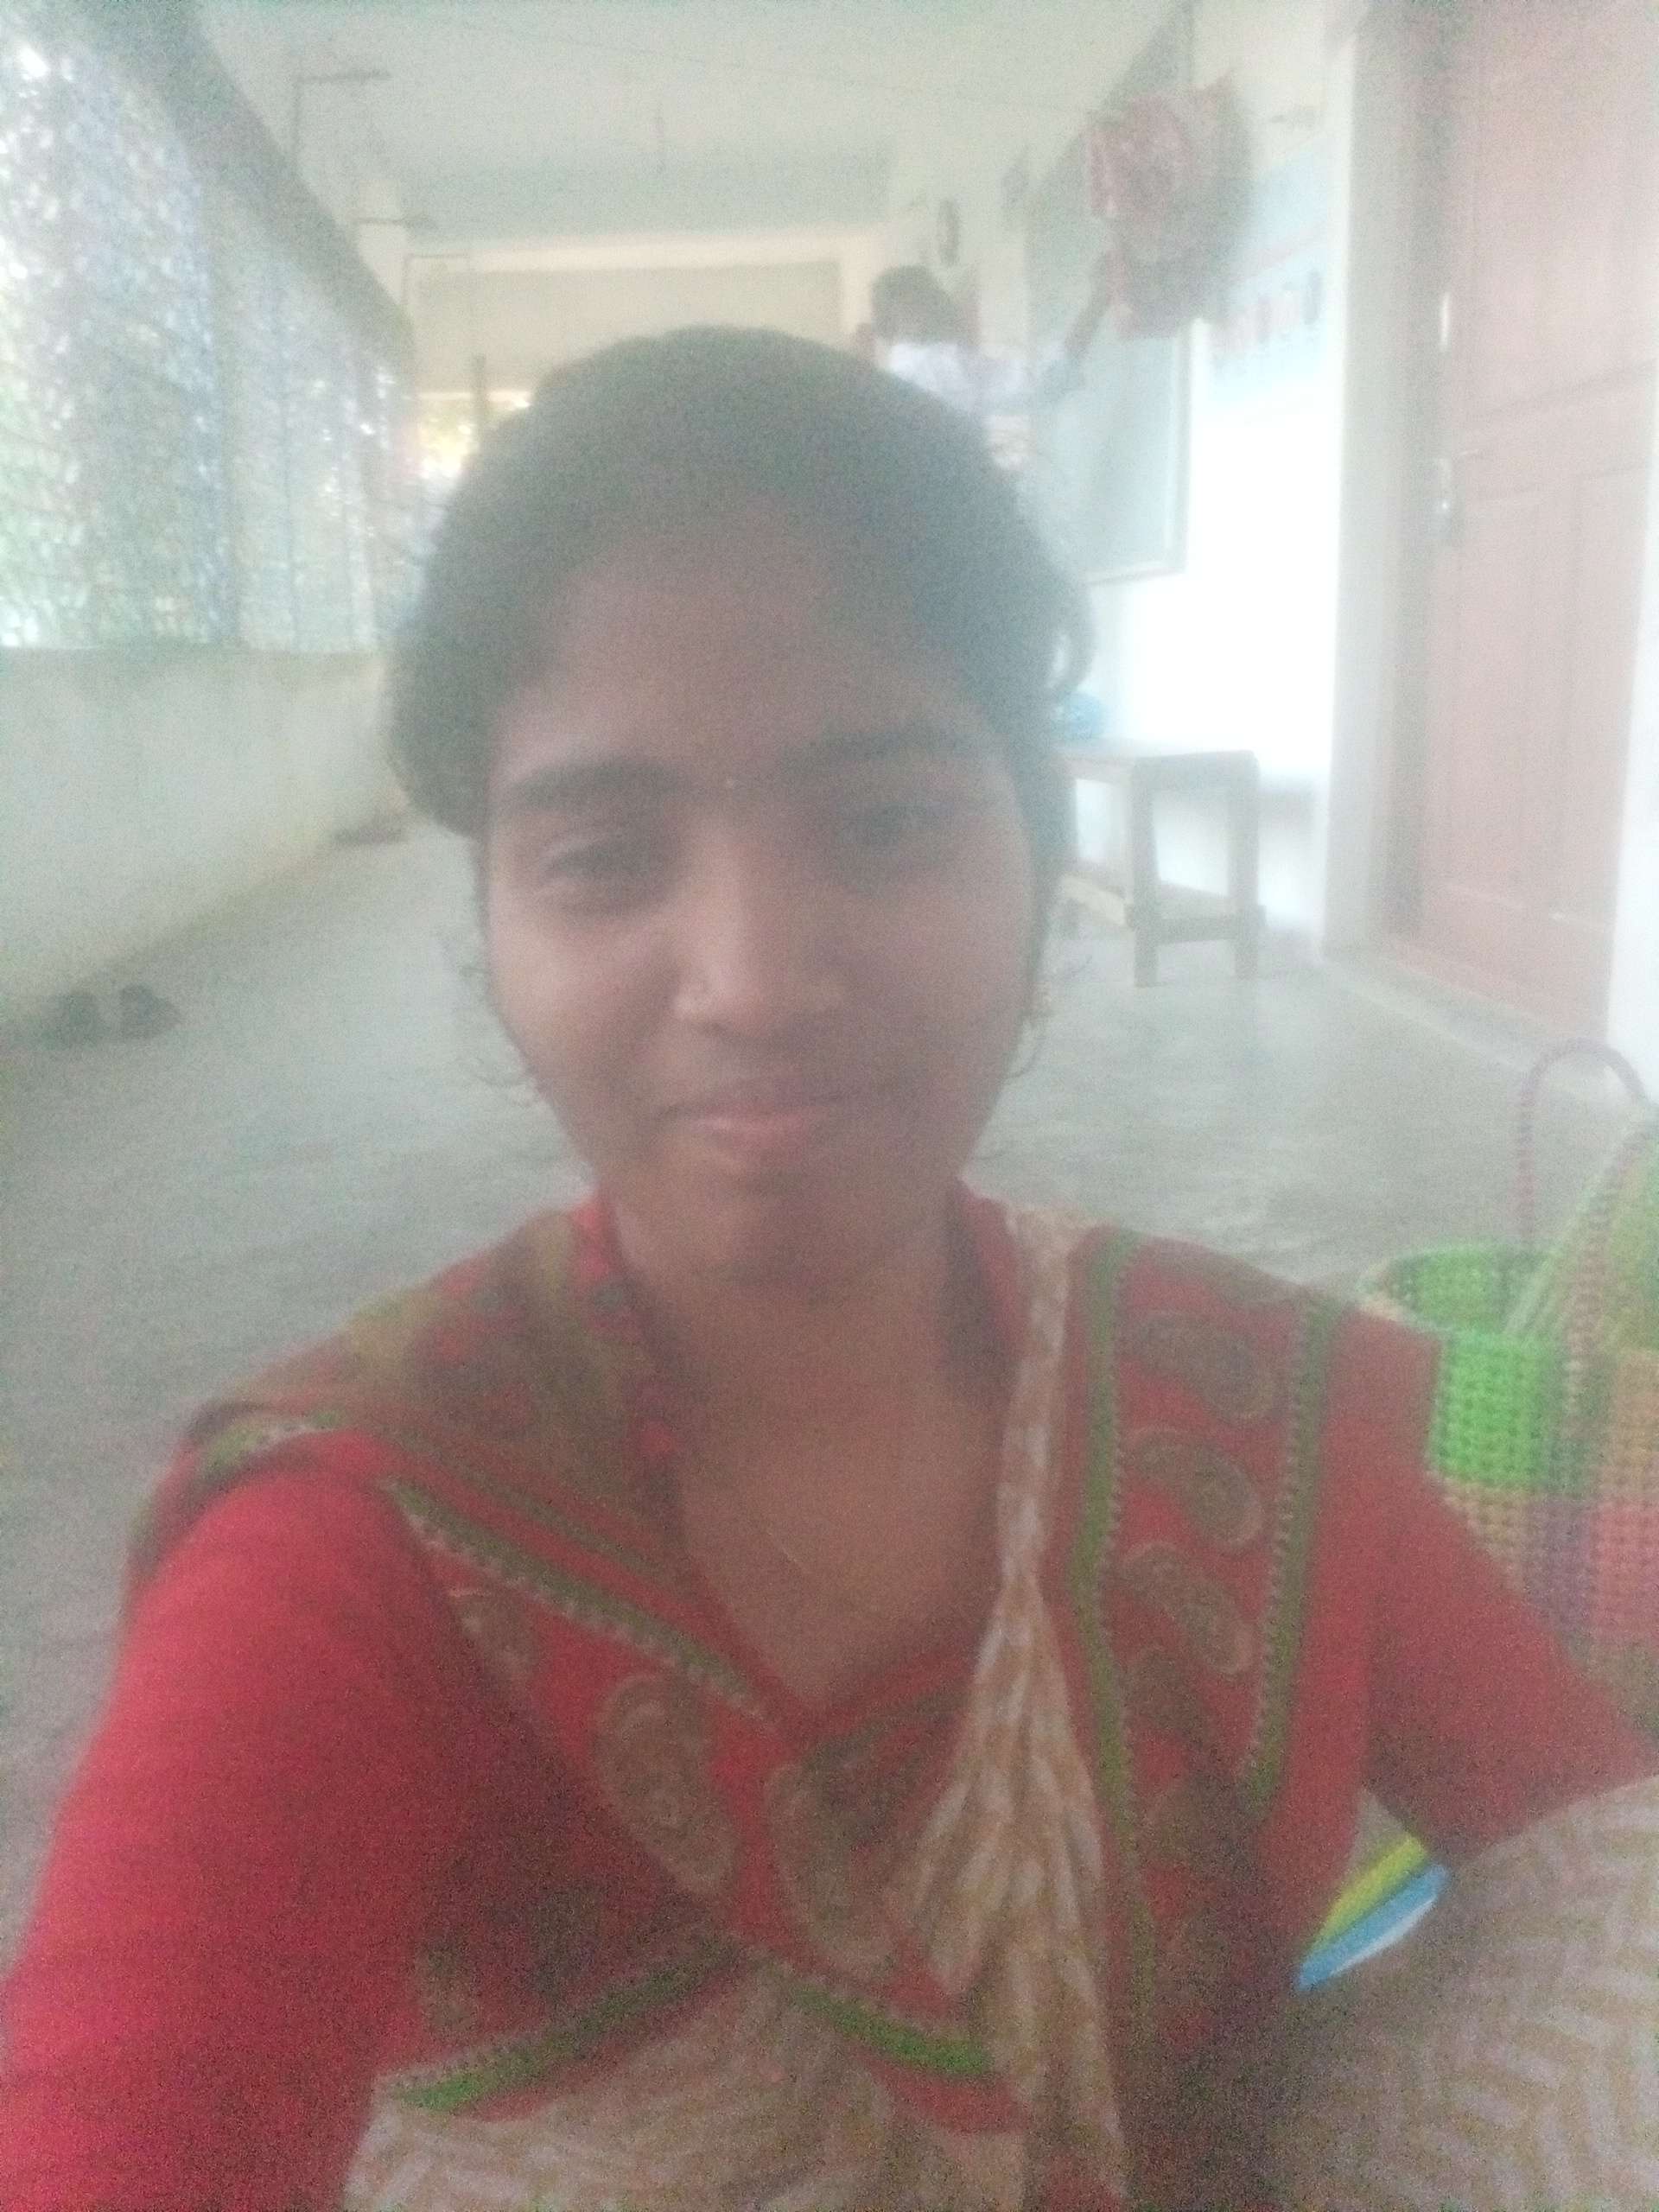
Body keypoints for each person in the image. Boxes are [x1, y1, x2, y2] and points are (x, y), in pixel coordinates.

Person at [0, 327, 1651, 2212]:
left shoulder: (1232, 1405)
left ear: (1041, 863)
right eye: (606, 857)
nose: (755, 981)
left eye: (883, 823)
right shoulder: (379, 1541)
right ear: (492, 930)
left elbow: (1606, 1900)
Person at [868, 260, 1115, 426]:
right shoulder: (936, 365)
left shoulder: (899, 374)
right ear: (910, 310)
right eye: (934, 297)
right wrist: (1099, 299)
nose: (945, 304)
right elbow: (1044, 380)